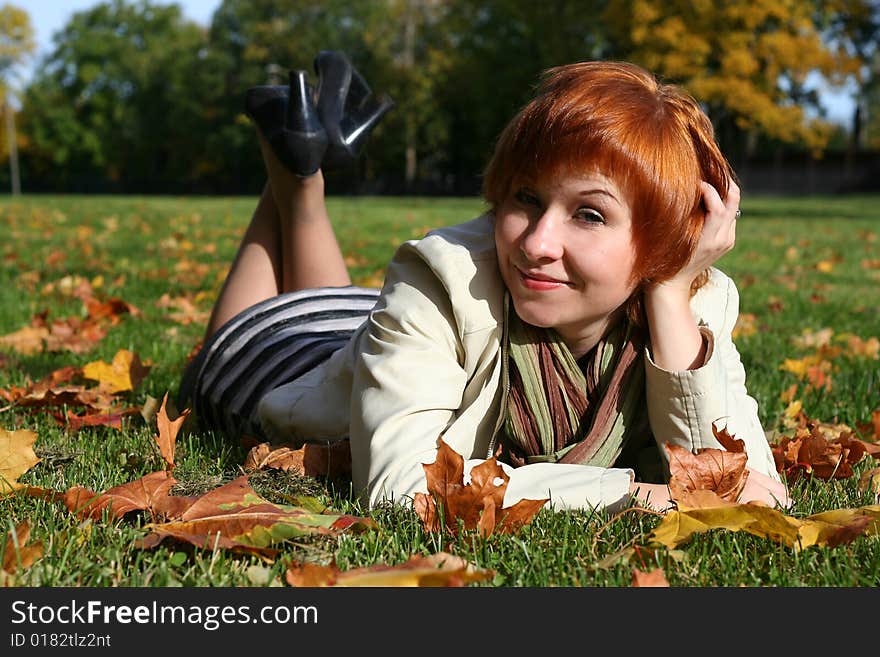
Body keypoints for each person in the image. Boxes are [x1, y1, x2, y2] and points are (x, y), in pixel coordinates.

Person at [177, 51, 790, 514]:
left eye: (590, 213)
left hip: (368, 331)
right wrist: (640, 493)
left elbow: (744, 480)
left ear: (662, 243)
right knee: (234, 341)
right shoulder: (439, 276)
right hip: (277, 361)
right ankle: (291, 176)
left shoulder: (687, 297)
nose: (535, 243)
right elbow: (399, 487)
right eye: (526, 198)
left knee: (348, 324)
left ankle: (298, 160)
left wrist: (666, 288)